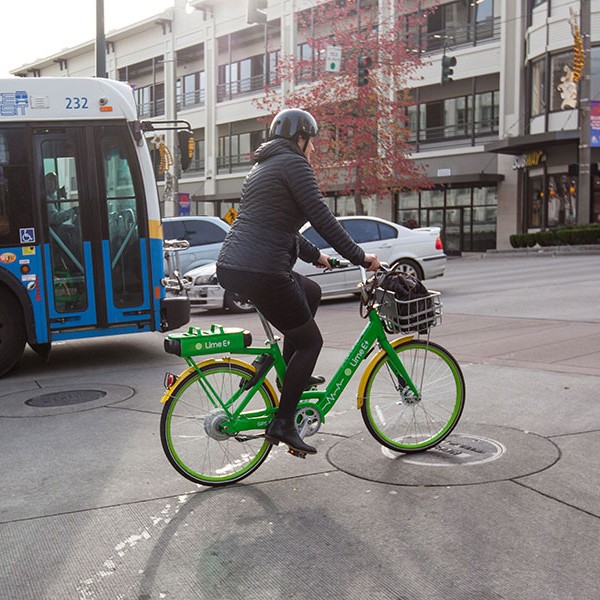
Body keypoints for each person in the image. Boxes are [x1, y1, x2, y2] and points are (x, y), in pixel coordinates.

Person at [216, 108, 381, 457]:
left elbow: (278, 225)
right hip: (262, 269)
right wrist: (359, 256)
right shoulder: (294, 164)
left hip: (236, 264)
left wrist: (314, 256)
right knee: (310, 343)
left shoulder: (263, 166)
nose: (313, 150)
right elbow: (320, 216)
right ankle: (283, 422)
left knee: (311, 291)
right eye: (312, 143)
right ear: (300, 138)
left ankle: (286, 374)